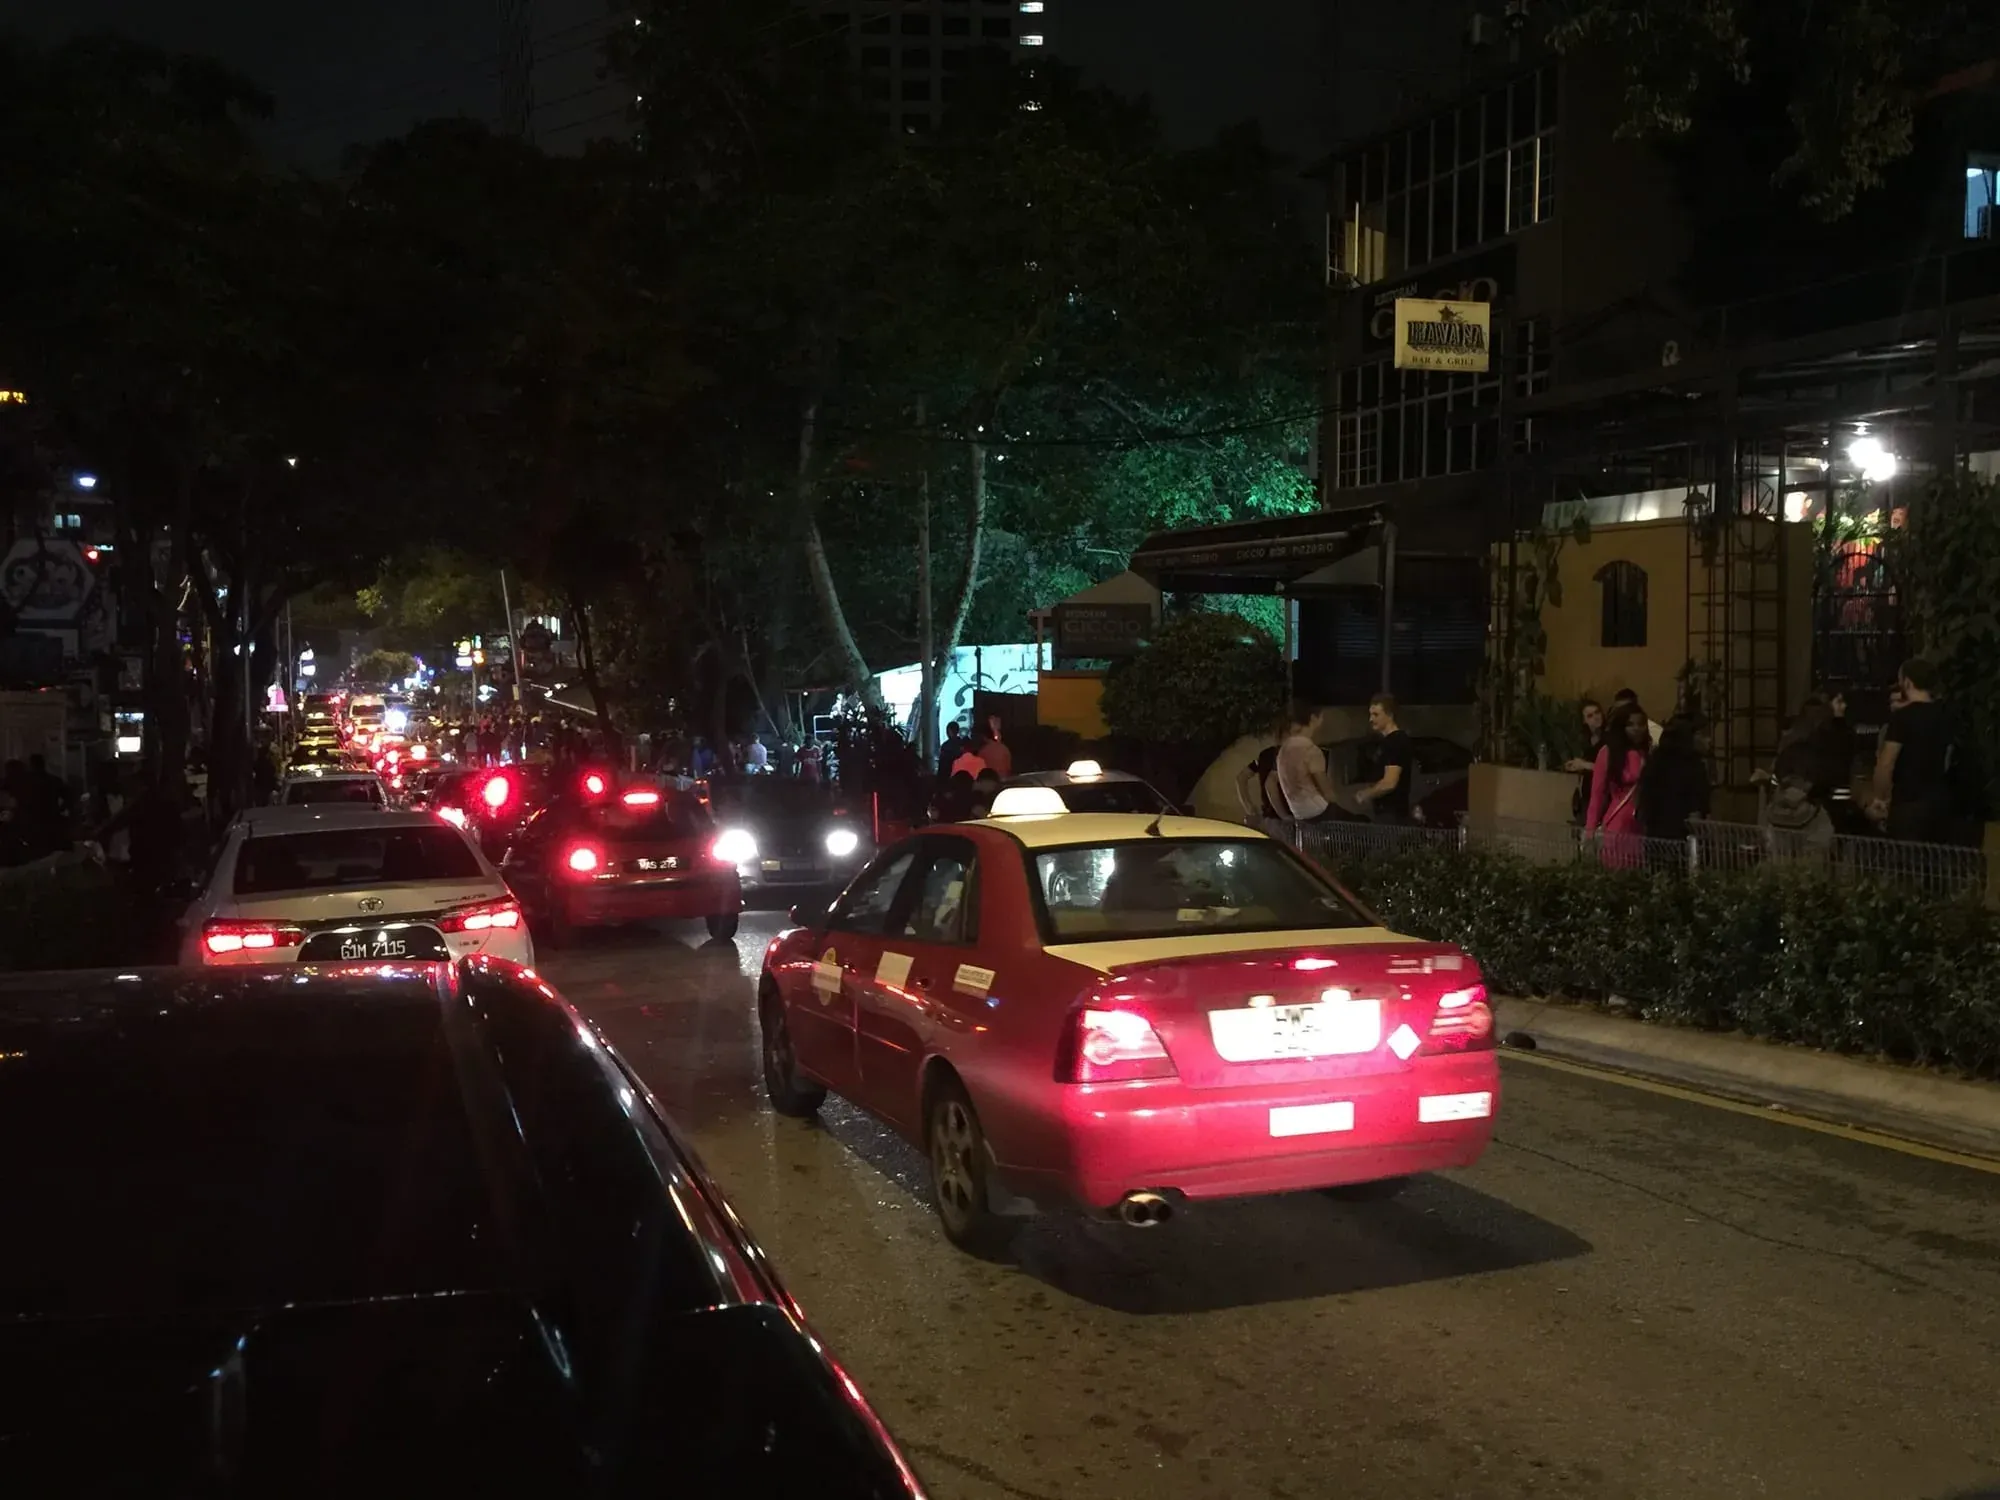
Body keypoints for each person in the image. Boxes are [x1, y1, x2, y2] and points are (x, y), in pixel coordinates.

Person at [1870, 657, 1980, 843]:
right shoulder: (1946, 715)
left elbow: (1886, 763)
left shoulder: (1902, 718)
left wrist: (1880, 798)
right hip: (1940, 802)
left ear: (1907, 682)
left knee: (1908, 857)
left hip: (1908, 802)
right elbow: (1948, 757)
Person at [1585, 705, 1650, 867]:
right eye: (1631, 724)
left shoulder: (1647, 754)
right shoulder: (1608, 753)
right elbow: (1597, 795)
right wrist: (1589, 831)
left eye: (1641, 724)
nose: (1637, 729)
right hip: (1616, 827)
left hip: (1642, 828)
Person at [1637, 715, 1710, 851]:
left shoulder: (1654, 761)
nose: (1709, 740)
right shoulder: (1693, 766)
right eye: (1703, 735)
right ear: (1689, 737)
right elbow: (1696, 810)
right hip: (1684, 841)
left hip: (1655, 839)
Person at [1270, 700, 1338, 828]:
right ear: (1313, 718)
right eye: (1321, 716)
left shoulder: (1283, 750)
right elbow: (1326, 789)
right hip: (1318, 811)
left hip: (1298, 813)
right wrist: (1335, 805)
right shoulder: (1311, 750)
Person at [1353, 693, 1414, 824]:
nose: (1371, 719)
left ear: (1390, 715)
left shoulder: (1396, 741)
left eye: (1376, 715)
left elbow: (1390, 782)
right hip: (1386, 813)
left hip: (1392, 815)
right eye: (1370, 715)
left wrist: (1366, 794)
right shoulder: (1387, 742)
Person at [1566, 698, 1607, 824]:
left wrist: (1584, 765)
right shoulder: (1585, 740)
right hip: (1587, 796)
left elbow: (1610, 769)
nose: (1595, 717)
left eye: (1597, 712)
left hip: (1604, 797)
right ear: (1584, 721)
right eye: (1590, 716)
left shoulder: (1609, 740)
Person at [976, 714, 1013, 779]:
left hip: (990, 781)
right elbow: (1009, 769)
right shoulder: (1004, 748)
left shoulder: (982, 752)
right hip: (1004, 781)